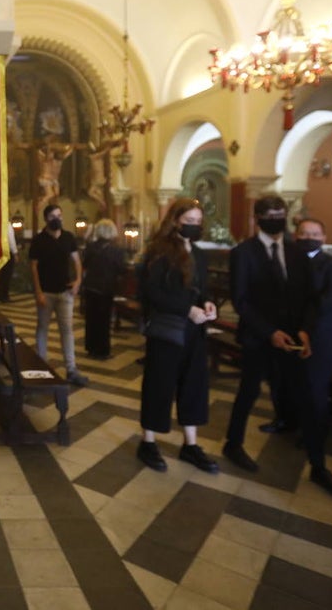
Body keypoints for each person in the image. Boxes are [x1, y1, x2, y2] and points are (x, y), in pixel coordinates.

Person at [222, 194, 316, 472]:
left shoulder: (297, 252)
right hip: (258, 335)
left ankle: (315, 455)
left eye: (280, 214)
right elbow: (240, 300)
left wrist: (305, 330)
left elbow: (309, 297)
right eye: (270, 216)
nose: (276, 220)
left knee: (298, 389)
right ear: (258, 219)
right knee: (248, 391)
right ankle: (233, 444)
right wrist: (269, 332)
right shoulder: (243, 252)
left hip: (294, 337)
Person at [135, 199, 219, 473]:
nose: (194, 226)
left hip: (195, 330)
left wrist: (207, 304)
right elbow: (151, 293)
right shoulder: (159, 252)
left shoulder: (199, 253)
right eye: (188, 221)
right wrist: (187, 309)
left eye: (197, 222)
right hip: (167, 329)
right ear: (175, 221)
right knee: (159, 385)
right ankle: (148, 441)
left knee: (194, 384)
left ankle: (190, 445)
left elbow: (200, 290)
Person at [291, 218, 332, 497]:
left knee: (315, 395)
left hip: (319, 338)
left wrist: (305, 329)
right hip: (285, 336)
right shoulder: (285, 265)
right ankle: (291, 423)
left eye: (314, 234)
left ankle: (318, 464)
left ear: (324, 237)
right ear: (295, 236)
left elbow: (327, 305)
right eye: (303, 233)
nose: (308, 237)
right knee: (288, 387)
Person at [29, 203, 89, 386]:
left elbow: (77, 261)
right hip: (46, 292)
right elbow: (33, 267)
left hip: (65, 292)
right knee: (42, 328)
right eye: (53, 216)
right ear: (46, 219)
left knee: (67, 331)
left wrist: (78, 280)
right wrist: (38, 291)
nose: (58, 219)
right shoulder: (39, 240)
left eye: (60, 215)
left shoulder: (68, 237)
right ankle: (42, 366)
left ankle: (71, 369)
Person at [81, 218, 127, 359]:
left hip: (90, 287)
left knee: (91, 319)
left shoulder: (90, 247)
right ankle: (102, 351)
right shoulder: (117, 251)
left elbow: (85, 264)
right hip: (106, 289)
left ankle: (91, 347)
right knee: (104, 320)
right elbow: (121, 270)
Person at [0, 217, 19, 302]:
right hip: (7, 253)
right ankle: (4, 296)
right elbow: (11, 240)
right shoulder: (7, 224)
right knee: (6, 276)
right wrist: (15, 253)